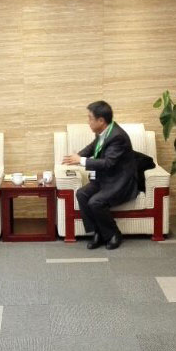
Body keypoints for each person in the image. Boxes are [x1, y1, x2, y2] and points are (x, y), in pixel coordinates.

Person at [63, 101, 137, 250]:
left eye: (90, 118)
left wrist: (81, 161)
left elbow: (108, 163)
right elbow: (92, 147)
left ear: (101, 120)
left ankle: (114, 234)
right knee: (82, 194)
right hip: (106, 178)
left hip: (120, 182)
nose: (88, 121)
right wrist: (76, 157)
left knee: (95, 202)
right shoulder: (104, 132)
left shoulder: (117, 136)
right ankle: (98, 232)